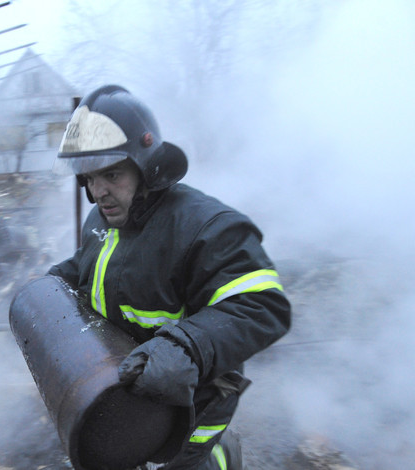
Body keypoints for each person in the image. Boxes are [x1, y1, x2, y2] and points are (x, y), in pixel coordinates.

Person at [47, 85, 291, 470]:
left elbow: (264, 306)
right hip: (131, 386)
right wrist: (56, 283)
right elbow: (95, 263)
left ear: (146, 166)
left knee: (178, 462)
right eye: (89, 177)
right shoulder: (104, 218)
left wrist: (186, 346)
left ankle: (222, 456)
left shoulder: (205, 228)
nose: (99, 192)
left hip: (196, 396)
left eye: (111, 173)